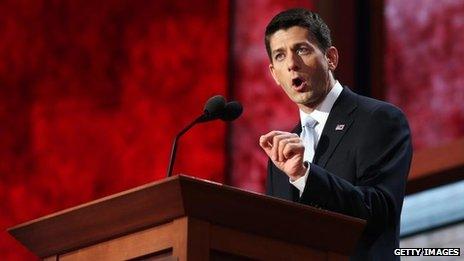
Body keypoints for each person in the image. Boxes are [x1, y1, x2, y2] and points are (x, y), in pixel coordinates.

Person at [259, 8, 412, 260]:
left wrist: (304, 176)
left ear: (330, 58)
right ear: (274, 74)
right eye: (280, 56)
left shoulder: (378, 119)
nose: (291, 64)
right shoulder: (281, 155)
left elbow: (378, 210)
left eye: (302, 49)